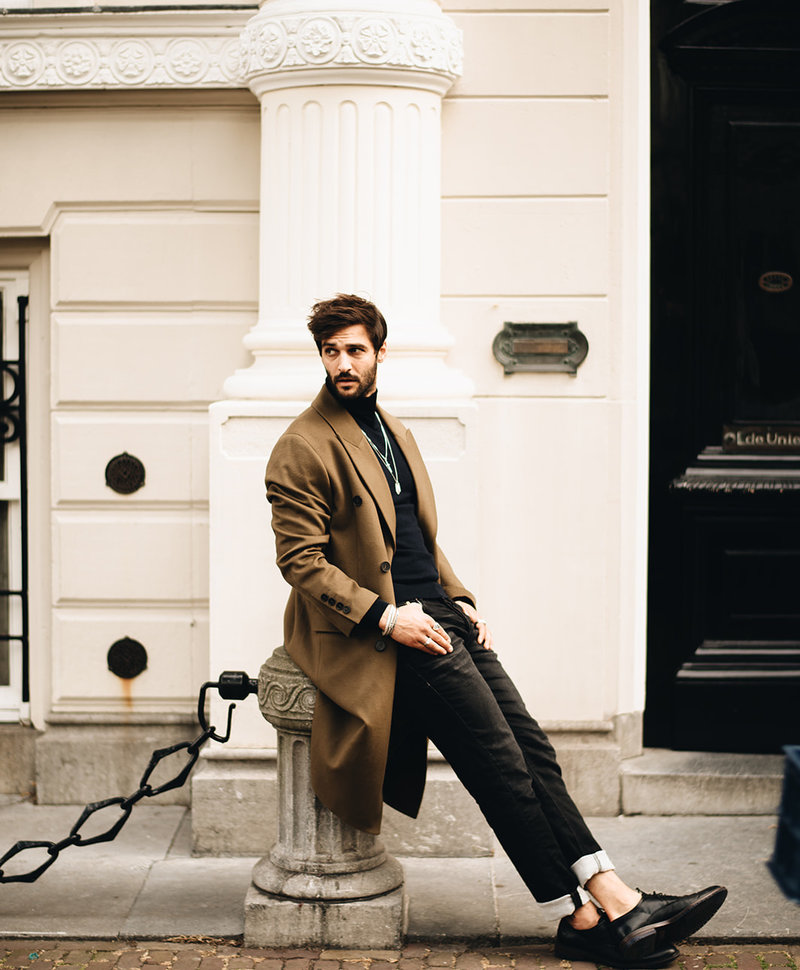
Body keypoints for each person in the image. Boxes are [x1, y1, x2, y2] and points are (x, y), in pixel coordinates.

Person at [264, 294, 726, 968]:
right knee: (499, 765)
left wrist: (458, 595)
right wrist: (390, 617)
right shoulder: (301, 445)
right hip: (390, 629)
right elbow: (300, 562)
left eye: (355, 349)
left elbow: (415, 536)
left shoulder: (392, 430)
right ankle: (611, 900)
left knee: (534, 750)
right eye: (331, 351)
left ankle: (591, 915)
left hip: (438, 613)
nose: (343, 363)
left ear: (380, 353)